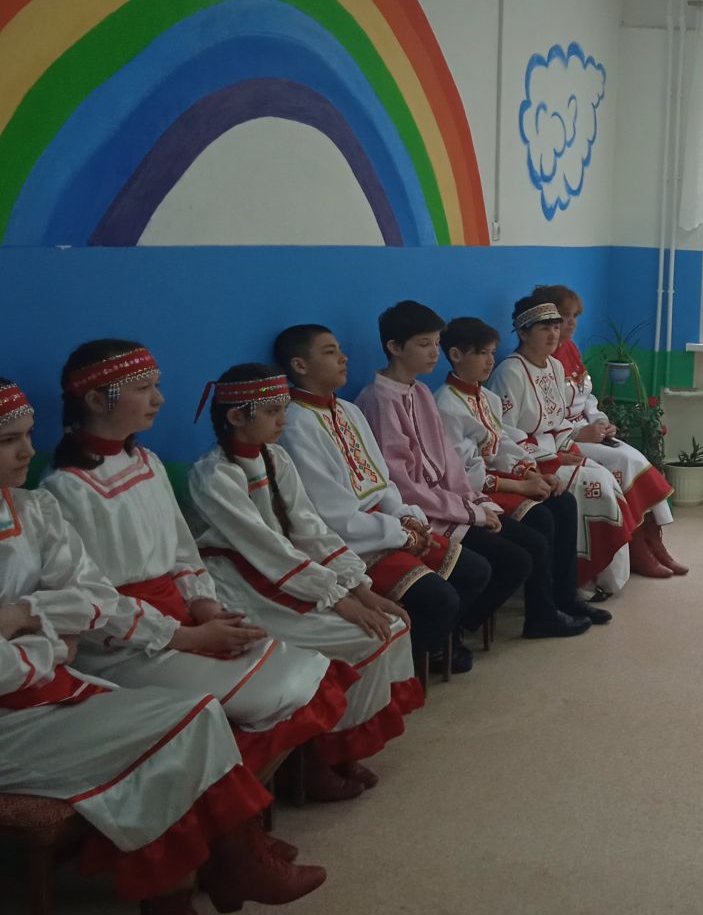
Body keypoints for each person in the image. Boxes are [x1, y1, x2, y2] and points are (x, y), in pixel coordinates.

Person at [1, 375, 326, 913]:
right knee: (188, 725)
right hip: (18, 716)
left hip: (66, 679)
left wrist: (26, 615)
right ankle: (230, 864)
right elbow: (63, 633)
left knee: (201, 718)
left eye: (28, 434)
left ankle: (203, 878)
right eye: (9, 439)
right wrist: (51, 646)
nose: (27, 451)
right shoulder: (65, 489)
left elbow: (90, 599)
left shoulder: (33, 509)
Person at [40, 341, 355, 777]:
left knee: (306, 666)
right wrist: (187, 637)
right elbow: (92, 601)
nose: (159, 399)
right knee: (278, 686)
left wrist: (203, 604)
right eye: (143, 388)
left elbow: (182, 552)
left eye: (157, 386)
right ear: (96, 400)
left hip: (182, 615)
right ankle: (233, 788)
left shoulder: (146, 462)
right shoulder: (64, 489)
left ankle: (294, 775)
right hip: (125, 645)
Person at [188, 363, 423, 803]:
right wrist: (337, 598)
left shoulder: (276, 458)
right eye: (273, 411)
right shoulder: (214, 474)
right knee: (360, 636)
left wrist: (359, 587)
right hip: (240, 585)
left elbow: (310, 529)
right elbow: (264, 548)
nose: (283, 420)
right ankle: (314, 762)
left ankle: (342, 747)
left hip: (290, 573)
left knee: (389, 627)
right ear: (237, 416)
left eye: (283, 409)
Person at [356, 302, 587, 639]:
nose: (433, 353)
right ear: (394, 346)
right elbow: (403, 483)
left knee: (547, 522)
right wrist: (471, 509)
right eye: (424, 344)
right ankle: (450, 633)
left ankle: (549, 605)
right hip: (424, 511)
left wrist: (478, 501)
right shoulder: (380, 400)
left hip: (453, 500)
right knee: (519, 554)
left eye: (436, 343)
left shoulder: (420, 392)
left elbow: (451, 460)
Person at [274, 324, 490, 674]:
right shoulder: (296, 425)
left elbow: (382, 479)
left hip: (387, 525)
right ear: (300, 365)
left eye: (340, 349)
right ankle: (403, 669)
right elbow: (333, 515)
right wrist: (400, 532)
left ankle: (435, 644)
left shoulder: (349, 411)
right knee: (440, 598)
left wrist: (408, 517)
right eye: (329, 352)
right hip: (353, 543)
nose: (343, 357)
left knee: (475, 570)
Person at [435, 316, 609, 626]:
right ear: (456, 355)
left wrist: (532, 474)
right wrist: (521, 487)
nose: (490, 361)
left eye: (492, 352)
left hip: (496, 478)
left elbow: (503, 443)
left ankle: (565, 596)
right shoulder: (447, 405)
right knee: (541, 517)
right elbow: (463, 474)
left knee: (563, 501)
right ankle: (541, 614)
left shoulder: (485, 397)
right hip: (473, 490)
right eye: (482, 353)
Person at [537, 284, 686, 578]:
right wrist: (579, 433)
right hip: (563, 440)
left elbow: (586, 396)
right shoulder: (543, 362)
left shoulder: (570, 350)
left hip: (588, 428)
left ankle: (653, 541)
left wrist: (601, 421)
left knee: (635, 457)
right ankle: (637, 546)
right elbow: (545, 418)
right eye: (564, 317)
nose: (571, 324)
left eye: (575, 316)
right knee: (625, 461)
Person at [490, 299, 638, 593]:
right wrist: (552, 458)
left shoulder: (556, 366)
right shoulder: (510, 372)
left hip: (557, 449)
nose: (553, 334)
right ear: (523, 332)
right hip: (527, 461)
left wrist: (567, 445)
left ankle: (601, 577)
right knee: (594, 485)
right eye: (544, 328)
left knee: (606, 478)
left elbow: (558, 421)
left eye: (556, 327)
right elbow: (505, 434)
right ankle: (581, 579)